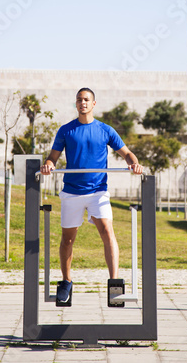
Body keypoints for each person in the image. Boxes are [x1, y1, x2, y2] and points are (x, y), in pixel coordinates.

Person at [40, 87, 143, 303]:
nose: (83, 103)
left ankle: (114, 283)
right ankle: (67, 282)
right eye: (79, 100)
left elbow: (127, 153)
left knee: (107, 231)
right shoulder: (66, 130)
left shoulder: (105, 130)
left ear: (93, 103)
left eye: (86, 100)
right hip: (72, 193)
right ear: (76, 104)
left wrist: (134, 164)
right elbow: (52, 158)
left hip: (98, 192)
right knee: (68, 239)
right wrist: (48, 166)